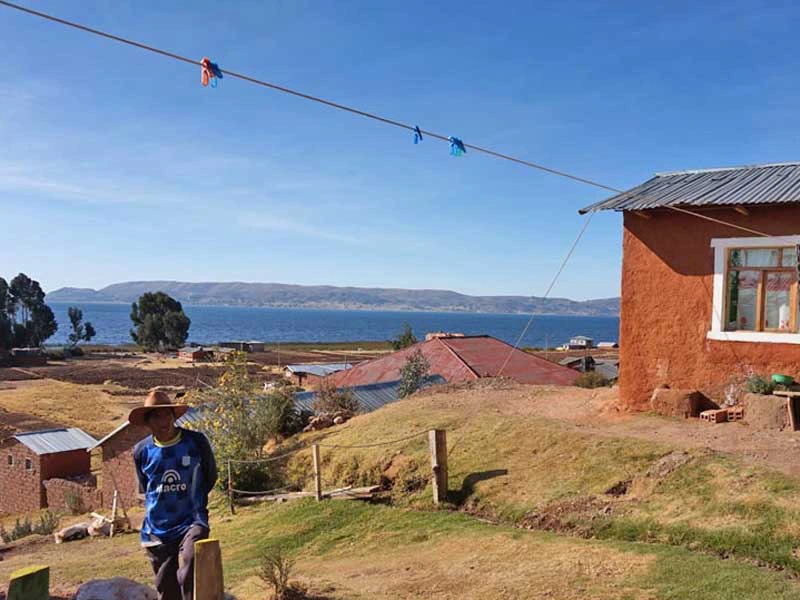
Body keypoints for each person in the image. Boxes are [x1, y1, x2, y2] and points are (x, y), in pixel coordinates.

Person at [130, 389, 218, 600]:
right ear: (148, 422)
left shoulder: (195, 442)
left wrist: (193, 499)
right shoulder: (142, 451)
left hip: (191, 519)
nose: (163, 420)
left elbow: (210, 476)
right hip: (157, 528)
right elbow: (146, 486)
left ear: (173, 416)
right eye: (156, 416)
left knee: (191, 561)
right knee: (165, 587)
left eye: (167, 414)